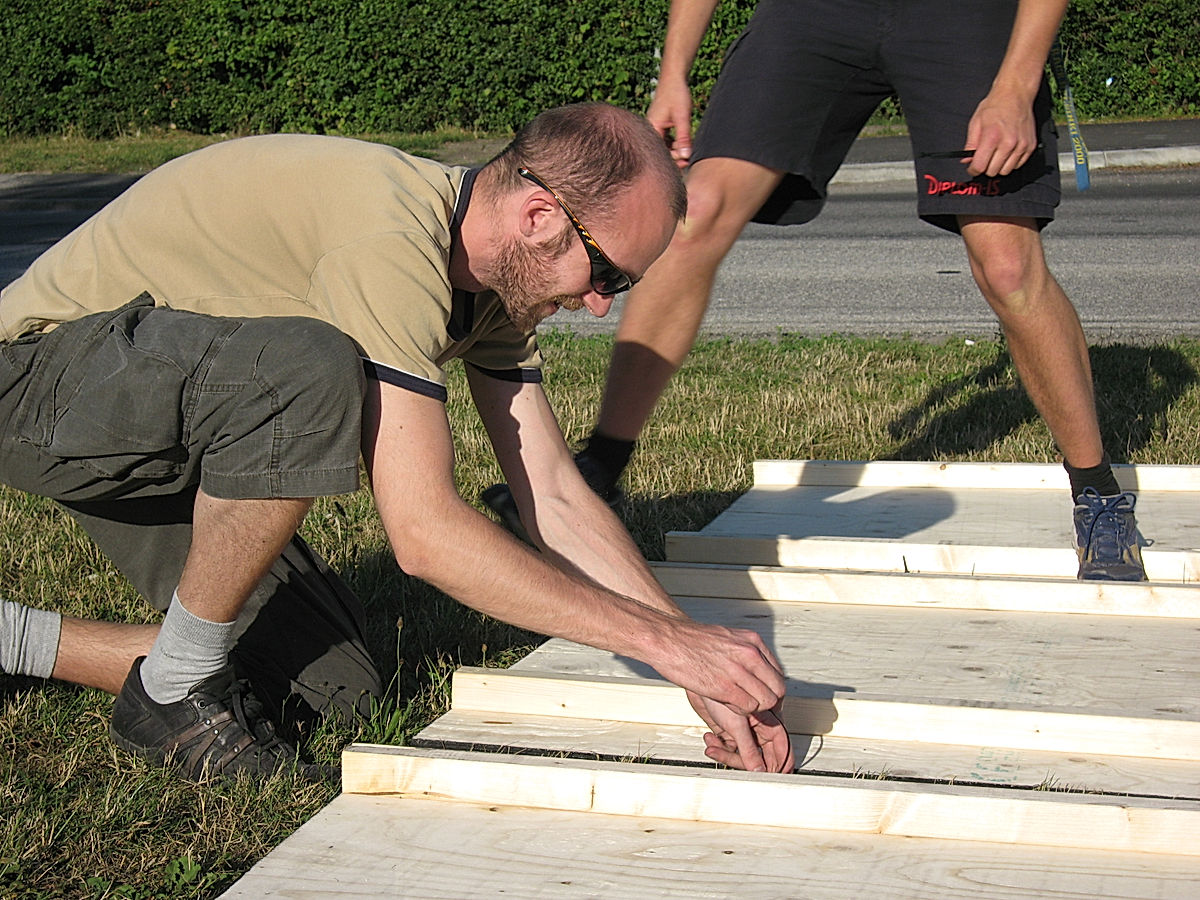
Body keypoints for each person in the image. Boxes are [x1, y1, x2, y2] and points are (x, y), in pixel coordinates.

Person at [0, 102, 794, 781]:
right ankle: (171, 694)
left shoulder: (491, 288)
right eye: (608, 276)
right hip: (35, 383)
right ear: (540, 217)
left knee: (336, 693)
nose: (597, 306)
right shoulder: (389, 238)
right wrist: (659, 642)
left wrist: (687, 655)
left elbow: (552, 492)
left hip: (166, 428)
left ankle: (20, 641)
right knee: (309, 369)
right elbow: (423, 536)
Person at [489, 0, 1145, 582]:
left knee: (1006, 264)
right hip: (820, 14)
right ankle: (602, 466)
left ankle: (1097, 491)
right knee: (696, 216)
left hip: (963, 16)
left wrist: (1016, 82)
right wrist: (674, 72)